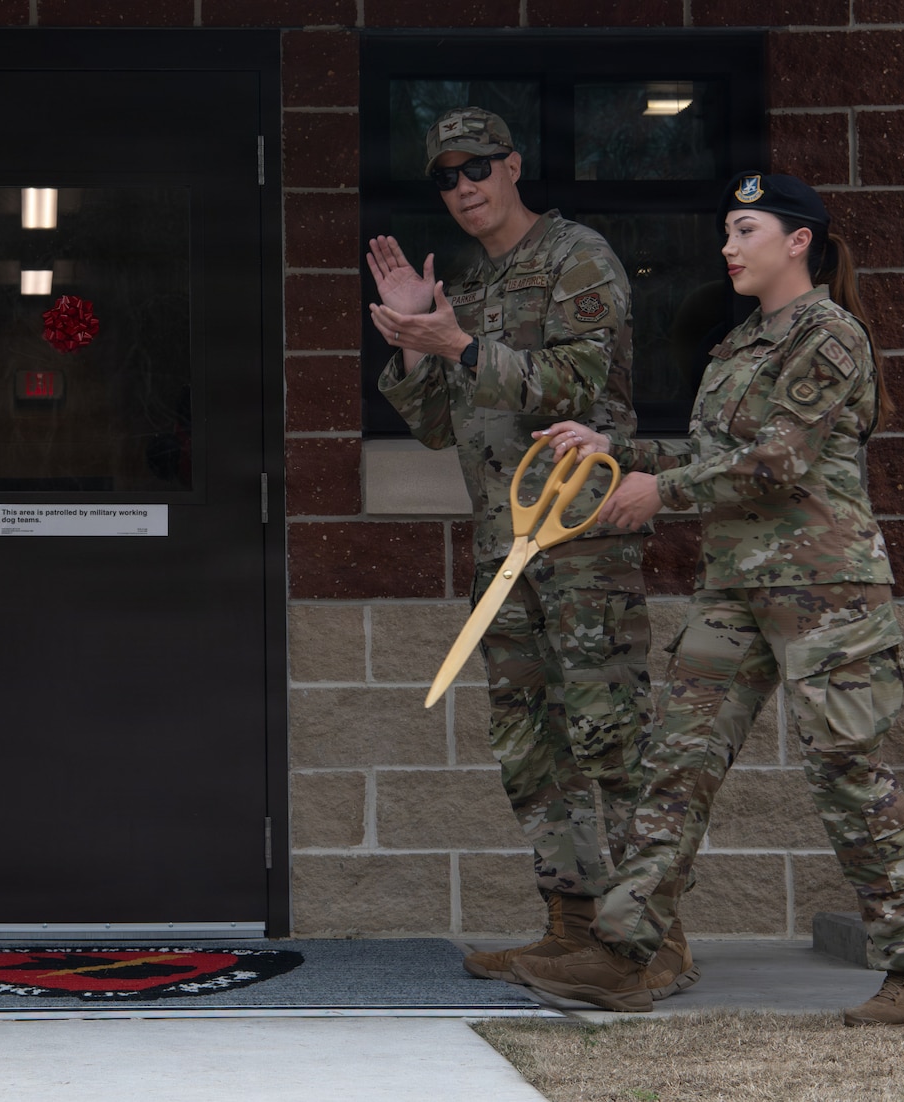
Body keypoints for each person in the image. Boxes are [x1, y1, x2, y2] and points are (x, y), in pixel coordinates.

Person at [516, 173, 904, 1025]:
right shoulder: (740, 342)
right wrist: (615, 446)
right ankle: (627, 953)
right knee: (675, 767)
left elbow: (775, 460)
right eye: (725, 230)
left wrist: (657, 490)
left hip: (825, 591)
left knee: (847, 774)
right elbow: (715, 447)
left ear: (800, 240)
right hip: (735, 589)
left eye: (745, 228)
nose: (728, 245)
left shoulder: (832, 337)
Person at [368, 108, 691, 996]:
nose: (462, 186)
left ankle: (654, 940)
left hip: (580, 538)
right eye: (445, 176)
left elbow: (582, 383)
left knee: (609, 735)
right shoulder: (467, 285)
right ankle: (574, 923)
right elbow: (441, 426)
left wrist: (461, 345)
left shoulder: (576, 256)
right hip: (500, 548)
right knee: (528, 744)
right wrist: (408, 343)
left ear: (512, 166)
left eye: (477, 167)